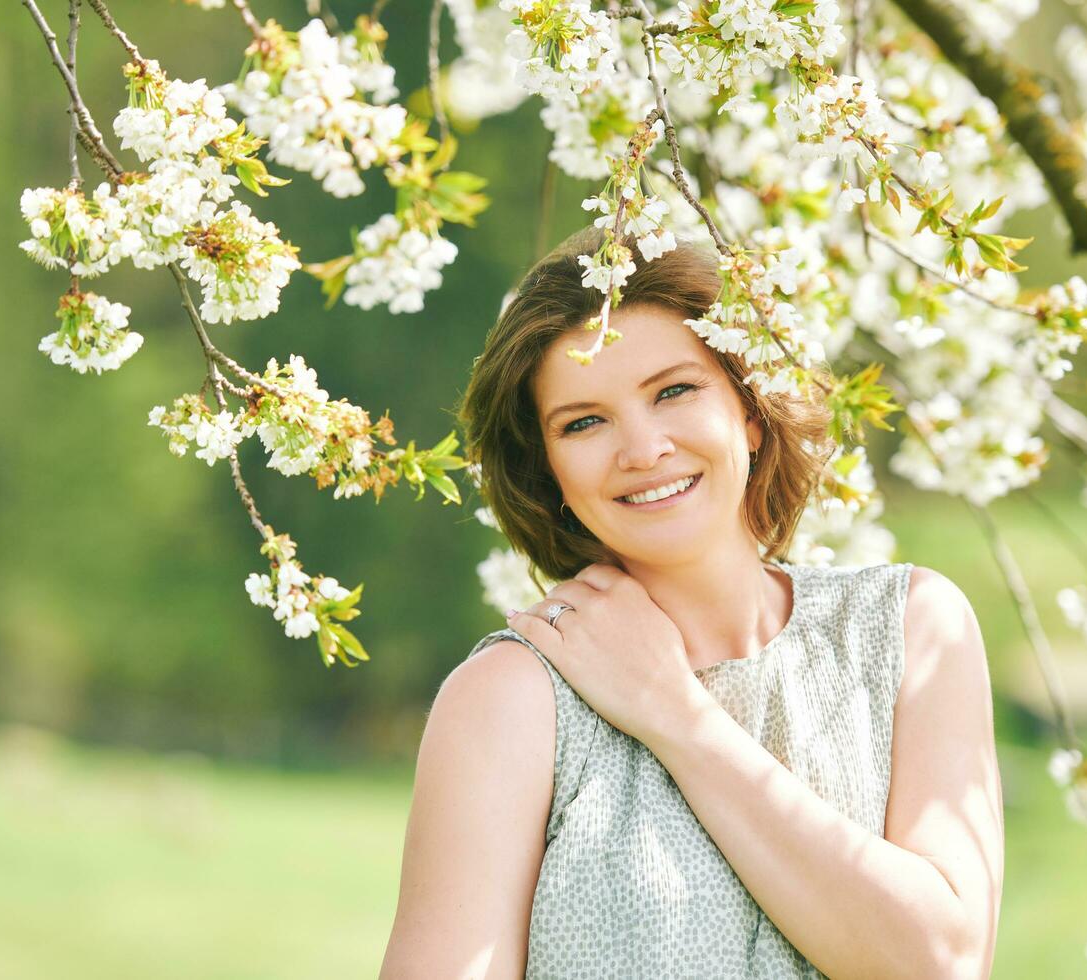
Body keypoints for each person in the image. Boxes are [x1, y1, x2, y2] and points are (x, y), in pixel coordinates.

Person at [379, 226, 1004, 979]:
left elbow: (940, 963)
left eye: (673, 391)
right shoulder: (511, 700)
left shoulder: (909, 627)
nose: (641, 450)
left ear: (748, 406)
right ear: (548, 472)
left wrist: (675, 713)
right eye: (582, 422)